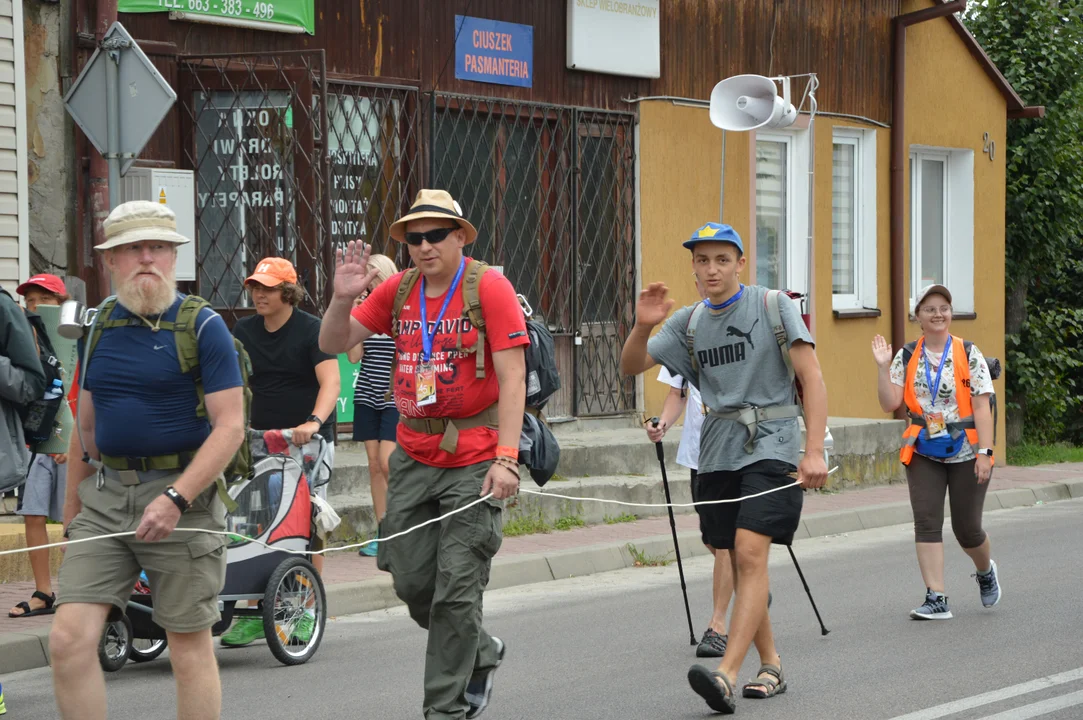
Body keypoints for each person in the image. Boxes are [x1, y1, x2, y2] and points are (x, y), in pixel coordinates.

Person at [319, 189, 528, 720]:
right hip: (414, 453)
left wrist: (507, 458)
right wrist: (342, 298)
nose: (424, 245)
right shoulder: (398, 289)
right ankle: (480, 649)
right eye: (414, 238)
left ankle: (445, 708)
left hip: (476, 458)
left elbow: (512, 377)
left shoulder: (490, 288)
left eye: (436, 234)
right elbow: (331, 343)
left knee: (457, 588)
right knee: (411, 579)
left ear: (460, 235)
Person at [620, 222, 828, 715]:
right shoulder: (688, 322)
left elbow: (811, 376)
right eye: (702, 260)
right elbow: (631, 365)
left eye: (721, 259)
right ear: (693, 267)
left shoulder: (772, 306)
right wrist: (644, 324)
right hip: (716, 452)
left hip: (773, 444)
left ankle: (726, 674)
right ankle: (771, 665)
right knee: (735, 558)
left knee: (752, 552)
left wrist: (814, 449)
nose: (711, 268)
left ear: (740, 263)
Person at [50, 200, 245, 720]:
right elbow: (84, 431)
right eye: (133, 248)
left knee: (187, 648)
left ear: (173, 257)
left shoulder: (204, 326)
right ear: (110, 260)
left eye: (157, 247)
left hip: (185, 498)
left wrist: (177, 498)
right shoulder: (99, 326)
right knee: (68, 642)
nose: (146, 258)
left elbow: (230, 426)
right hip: (107, 500)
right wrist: (72, 518)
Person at [222, 256, 340, 647]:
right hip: (257, 439)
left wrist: (313, 422)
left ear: (287, 292)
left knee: (306, 527)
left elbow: (330, 382)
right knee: (250, 522)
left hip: (305, 442)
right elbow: (233, 383)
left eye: (268, 288)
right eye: (255, 287)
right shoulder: (244, 330)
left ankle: (303, 609)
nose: (258, 294)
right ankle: (255, 611)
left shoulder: (312, 330)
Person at [872, 283, 1000, 621]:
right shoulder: (906, 355)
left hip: (967, 449)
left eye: (944, 307)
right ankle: (937, 597)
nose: (938, 314)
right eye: (930, 309)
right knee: (926, 522)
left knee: (967, 529)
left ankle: (985, 570)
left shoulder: (968, 352)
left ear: (950, 313)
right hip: (924, 448)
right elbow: (890, 403)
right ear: (919, 317)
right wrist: (883, 368)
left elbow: (983, 405)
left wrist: (986, 452)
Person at [8, 274, 69, 619]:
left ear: (61, 303)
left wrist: (72, 439)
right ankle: (43, 591)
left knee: (72, 518)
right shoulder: (25, 338)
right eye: (30, 301)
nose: (35, 306)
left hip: (70, 440)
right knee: (33, 513)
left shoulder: (74, 337)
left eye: (43, 299)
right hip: (37, 437)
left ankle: (77, 589)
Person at [347, 253, 400, 558]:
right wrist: (352, 315)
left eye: (373, 277)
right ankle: (382, 532)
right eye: (365, 278)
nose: (368, 284)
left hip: (394, 397)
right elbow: (353, 357)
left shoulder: (398, 310)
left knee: (387, 462)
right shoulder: (365, 311)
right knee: (373, 466)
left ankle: (401, 525)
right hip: (367, 394)